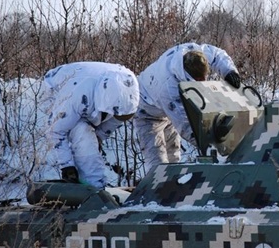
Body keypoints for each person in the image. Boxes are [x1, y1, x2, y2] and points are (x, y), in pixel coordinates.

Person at [134, 43, 241, 175]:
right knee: (158, 167)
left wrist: (229, 71)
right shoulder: (169, 88)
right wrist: (213, 146)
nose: (202, 82)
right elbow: (186, 126)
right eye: (198, 80)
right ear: (186, 75)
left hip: (165, 110)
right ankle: (158, 191)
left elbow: (217, 54)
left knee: (173, 159)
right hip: (146, 112)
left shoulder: (195, 53)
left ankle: (173, 188)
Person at [41, 61, 139, 190]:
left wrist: (99, 138)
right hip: (55, 91)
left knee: (90, 141)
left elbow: (116, 120)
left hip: (92, 96)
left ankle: (93, 186)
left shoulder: (127, 89)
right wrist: (66, 165)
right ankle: (94, 188)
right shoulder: (75, 97)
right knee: (83, 134)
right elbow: (55, 130)